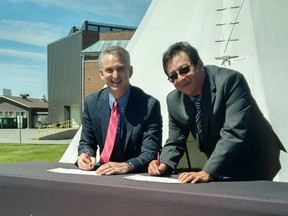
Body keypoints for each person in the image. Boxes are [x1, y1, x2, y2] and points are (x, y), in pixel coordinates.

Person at [148, 41, 286, 183]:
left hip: (254, 159)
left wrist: (208, 171)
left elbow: (233, 132)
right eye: (173, 76)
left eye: (184, 70)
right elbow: (175, 140)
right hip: (221, 163)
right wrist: (163, 164)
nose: (181, 78)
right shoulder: (173, 100)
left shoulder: (231, 81)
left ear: (199, 63)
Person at [77, 46, 162, 175]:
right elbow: (86, 142)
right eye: (109, 70)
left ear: (130, 71)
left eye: (120, 68)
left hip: (135, 176)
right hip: (102, 173)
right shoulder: (91, 103)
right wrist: (84, 154)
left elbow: (151, 151)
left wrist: (127, 166)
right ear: (101, 74)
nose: (115, 75)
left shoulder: (149, 105)